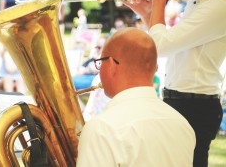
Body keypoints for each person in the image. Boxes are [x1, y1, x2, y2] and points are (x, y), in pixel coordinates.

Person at [121, 0, 226, 166]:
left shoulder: (219, 5)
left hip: (193, 106)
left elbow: (160, 47)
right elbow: (176, 46)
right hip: (184, 102)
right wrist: (149, 13)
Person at [77, 28, 196, 166]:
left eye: (100, 62)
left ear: (111, 65)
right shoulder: (182, 124)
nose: (99, 68)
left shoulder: (102, 128)